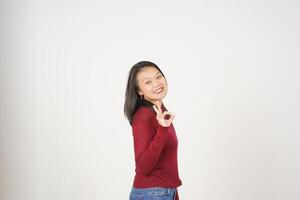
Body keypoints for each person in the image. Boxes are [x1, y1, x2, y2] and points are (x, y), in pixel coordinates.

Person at [124, 61, 182, 200]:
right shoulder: (143, 116)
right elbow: (143, 166)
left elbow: (166, 164)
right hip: (152, 193)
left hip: (164, 192)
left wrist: (173, 193)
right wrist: (162, 129)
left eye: (158, 77)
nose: (156, 83)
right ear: (139, 91)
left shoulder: (160, 112)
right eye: (148, 82)